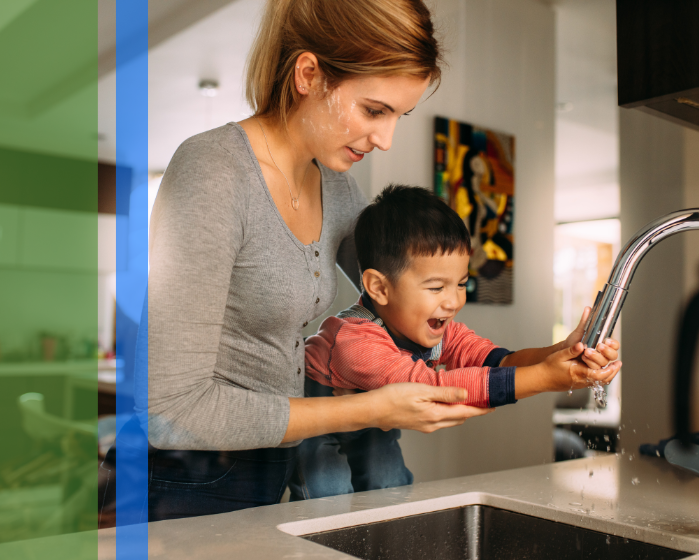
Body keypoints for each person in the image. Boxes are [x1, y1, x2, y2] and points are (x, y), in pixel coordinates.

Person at [130, 0, 493, 522]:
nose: (386, 140)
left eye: (399, 115)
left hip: (269, 468)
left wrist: (539, 362)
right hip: (180, 483)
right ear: (308, 74)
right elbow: (167, 413)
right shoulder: (214, 172)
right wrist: (367, 410)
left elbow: (410, 294)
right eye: (374, 110)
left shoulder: (339, 190)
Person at [293, 185, 621, 499]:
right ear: (379, 288)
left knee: (390, 487)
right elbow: (429, 388)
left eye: (461, 284)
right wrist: (545, 378)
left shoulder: (440, 330)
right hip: (318, 421)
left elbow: (498, 361)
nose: (453, 302)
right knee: (327, 495)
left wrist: (562, 351)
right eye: (437, 288)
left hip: (377, 415)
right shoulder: (354, 340)